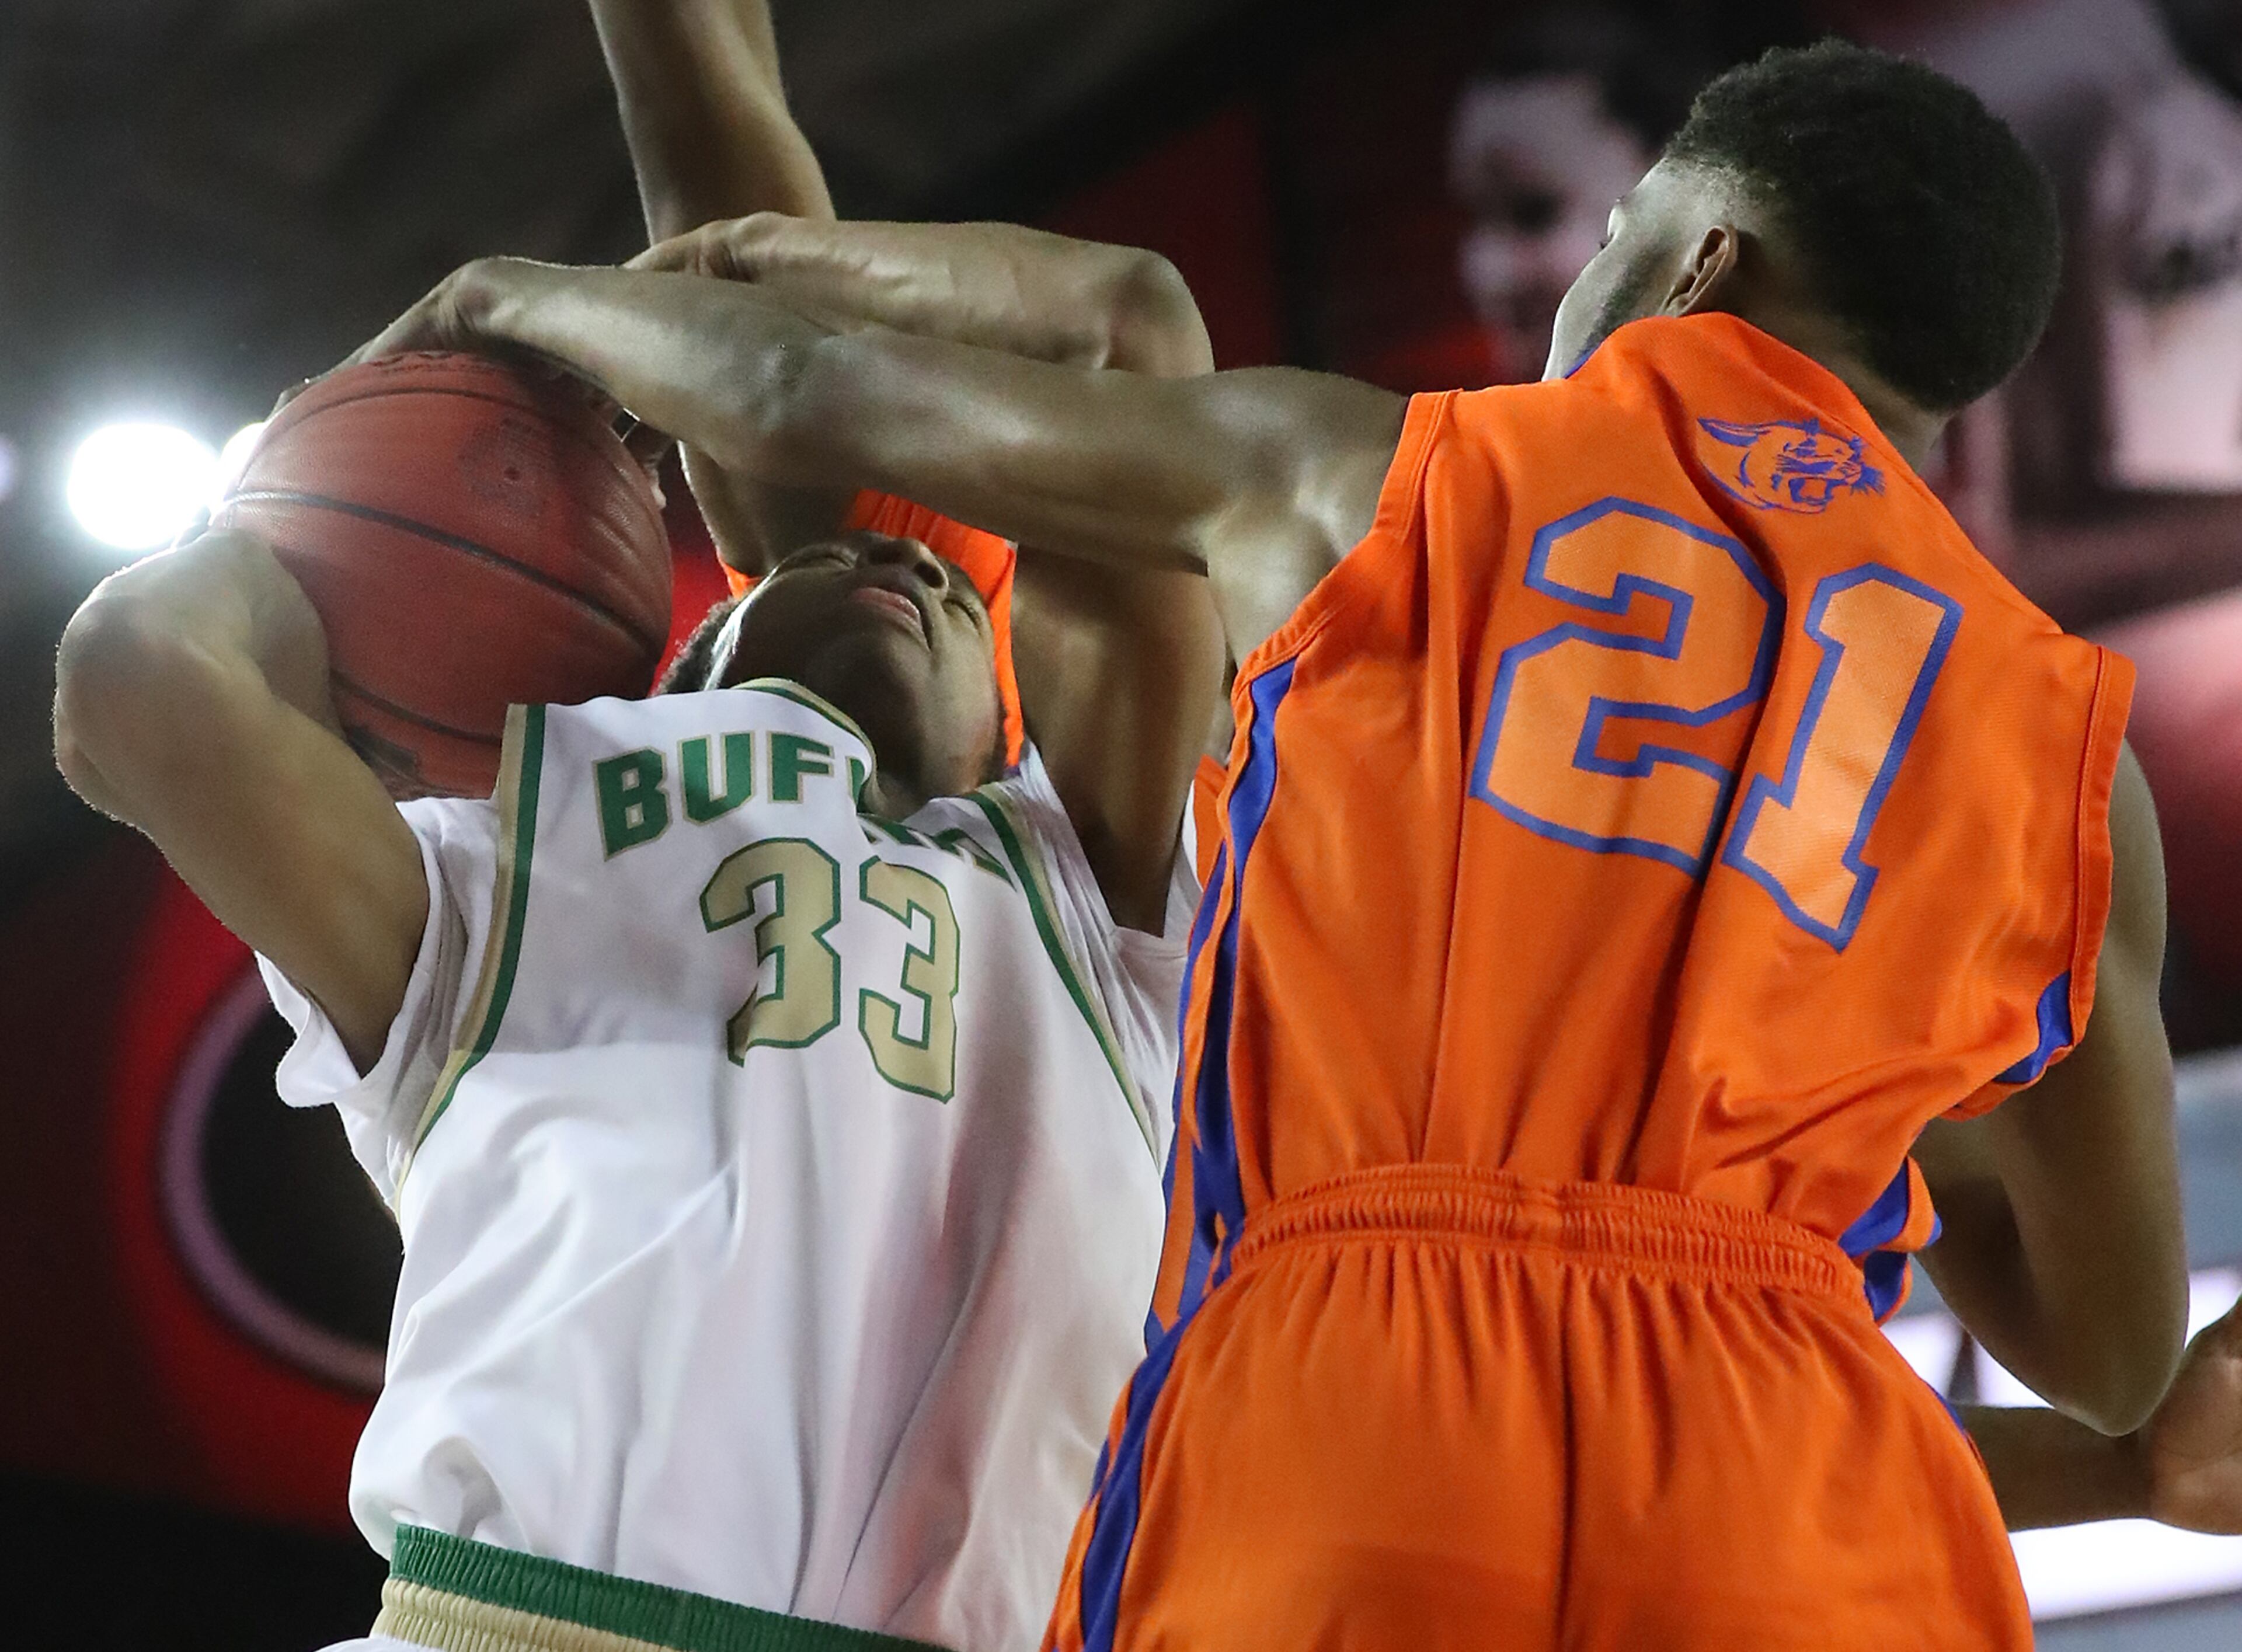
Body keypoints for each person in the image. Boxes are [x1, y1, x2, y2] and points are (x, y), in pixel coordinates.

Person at [350, 37, 2203, 1647]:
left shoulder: (1372, 471)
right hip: (1806, 1482)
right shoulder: (2063, 743)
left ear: (1697, 258)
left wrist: (516, 297)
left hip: (1362, 1415)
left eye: (1615, 235)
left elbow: (801, 399)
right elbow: (2112, 1355)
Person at [51, 225, 1223, 1652]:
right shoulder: (503, 864)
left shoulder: (1098, 903)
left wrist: (659, 285)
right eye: (817, 564)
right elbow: (134, 684)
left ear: (1011, 725)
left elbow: (1128, 324)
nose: (896, 568)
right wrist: (307, 477)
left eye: (956, 594)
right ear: (687, 666)